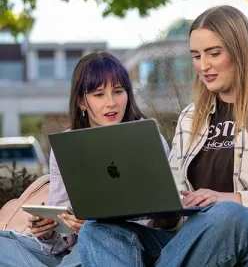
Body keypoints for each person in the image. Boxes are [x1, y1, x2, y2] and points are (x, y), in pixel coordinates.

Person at [78, 5, 248, 267]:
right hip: (194, 244)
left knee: (226, 214)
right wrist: (162, 210)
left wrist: (232, 199)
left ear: (241, 51)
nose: (203, 66)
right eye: (196, 56)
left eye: (214, 53)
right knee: (98, 232)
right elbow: (176, 202)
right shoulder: (190, 117)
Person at [0, 51, 169, 267]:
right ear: (81, 101)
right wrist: (48, 232)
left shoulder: (148, 139)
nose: (111, 103)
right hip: (72, 252)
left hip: (125, 247)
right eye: (99, 95)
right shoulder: (66, 146)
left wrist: (96, 225)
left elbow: (160, 222)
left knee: (94, 233)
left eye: (118, 91)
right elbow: (61, 243)